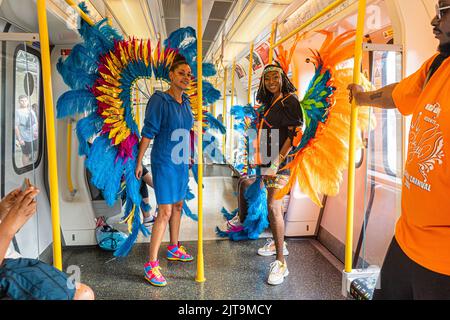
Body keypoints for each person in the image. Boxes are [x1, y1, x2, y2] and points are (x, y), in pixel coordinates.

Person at [347, 0, 450, 299]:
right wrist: (363, 98)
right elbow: (399, 93)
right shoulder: (436, 66)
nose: (433, 22)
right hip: (406, 239)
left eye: (443, 13)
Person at [135, 54, 194, 287]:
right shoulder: (159, 100)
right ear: (171, 75)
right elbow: (148, 133)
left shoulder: (186, 101)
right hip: (165, 162)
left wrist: (190, 154)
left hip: (181, 162)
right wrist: (139, 162)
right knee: (165, 211)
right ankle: (151, 265)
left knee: (179, 206)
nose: (186, 77)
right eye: (181, 73)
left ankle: (173, 247)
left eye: (189, 74)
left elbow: (187, 131)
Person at [253, 63, 303, 285]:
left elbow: (294, 136)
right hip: (268, 161)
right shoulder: (269, 103)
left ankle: (281, 263)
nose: (271, 82)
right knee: (272, 206)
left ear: (283, 78)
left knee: (273, 206)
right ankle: (277, 243)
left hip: (281, 163)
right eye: (267, 79)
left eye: (275, 77)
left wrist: (277, 161)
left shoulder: (289, 101)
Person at [0, 187, 94, 300]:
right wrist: (9, 227)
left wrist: (3, 209)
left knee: (84, 292)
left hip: (14, 261)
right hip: (5, 268)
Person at [14, 95, 38, 166]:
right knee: (26, 154)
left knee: (36, 151)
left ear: (28, 101)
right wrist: (20, 139)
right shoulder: (17, 112)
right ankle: (26, 169)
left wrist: (37, 132)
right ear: (19, 102)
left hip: (34, 137)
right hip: (25, 138)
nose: (24, 102)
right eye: (22, 101)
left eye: (25, 100)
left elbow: (36, 122)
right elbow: (16, 126)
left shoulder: (31, 110)